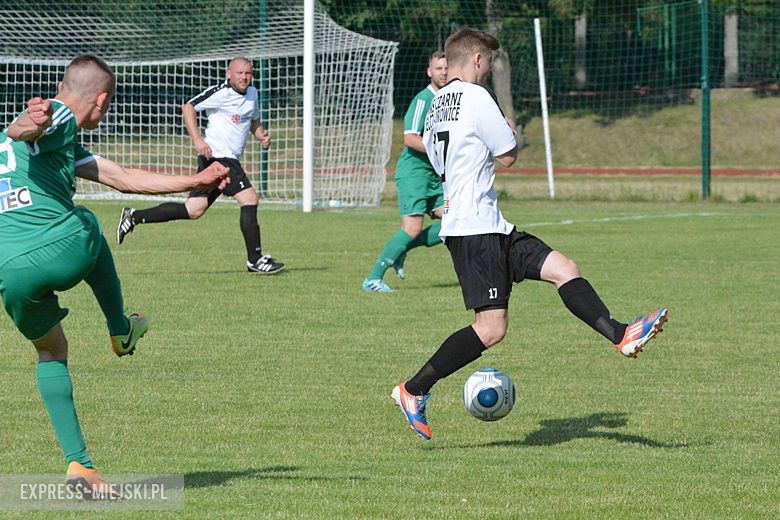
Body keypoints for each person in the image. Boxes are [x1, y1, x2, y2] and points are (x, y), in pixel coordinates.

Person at [390, 29, 668, 440]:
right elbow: (508, 156)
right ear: (479, 59)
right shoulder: (476, 96)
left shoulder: (435, 106)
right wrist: (508, 128)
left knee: (563, 267)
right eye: (489, 62)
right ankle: (412, 390)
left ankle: (621, 334)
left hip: (491, 224)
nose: (488, 70)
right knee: (491, 329)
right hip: (474, 230)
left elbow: (438, 158)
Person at [0, 55, 229, 494]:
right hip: (55, 247)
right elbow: (24, 129)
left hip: (9, 272)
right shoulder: (61, 114)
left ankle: (80, 468)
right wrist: (32, 120)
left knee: (51, 352)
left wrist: (192, 182)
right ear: (102, 100)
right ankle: (120, 328)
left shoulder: (46, 144)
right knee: (86, 222)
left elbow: (122, 178)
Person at [116, 57, 284, 275]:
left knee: (193, 210)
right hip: (217, 158)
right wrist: (197, 140)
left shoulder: (253, 94)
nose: (244, 77)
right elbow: (188, 107)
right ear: (228, 73)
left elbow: (252, 120)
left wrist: (261, 134)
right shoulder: (220, 93)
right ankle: (255, 259)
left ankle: (134, 216)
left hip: (227, 159)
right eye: (240, 73)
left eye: (248, 73)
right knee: (249, 198)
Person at [362, 51, 448, 292]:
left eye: (447, 68)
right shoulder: (423, 100)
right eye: (438, 68)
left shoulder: (450, 100)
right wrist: (440, 154)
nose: (443, 72)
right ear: (429, 72)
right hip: (414, 173)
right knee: (412, 228)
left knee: (454, 222)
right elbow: (410, 138)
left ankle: (400, 251)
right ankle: (373, 278)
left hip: (434, 175)